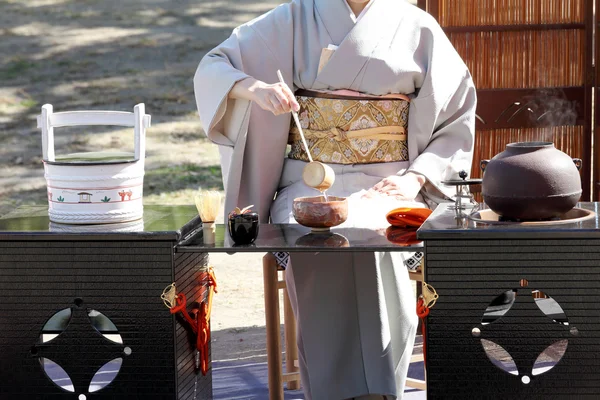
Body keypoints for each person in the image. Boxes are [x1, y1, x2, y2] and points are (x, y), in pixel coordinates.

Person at [193, 0, 476, 398]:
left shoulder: (417, 26)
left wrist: (415, 178)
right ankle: (328, 389)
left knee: (379, 232)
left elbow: (456, 113)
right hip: (307, 181)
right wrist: (255, 90)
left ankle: (382, 387)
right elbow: (213, 67)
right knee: (320, 232)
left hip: (390, 181)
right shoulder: (293, 18)